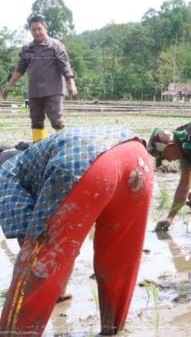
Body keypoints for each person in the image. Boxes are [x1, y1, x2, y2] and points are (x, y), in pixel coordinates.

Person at [0, 127, 153, 336]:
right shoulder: (34, 156)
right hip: (136, 156)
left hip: (83, 163)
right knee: (119, 257)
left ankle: (16, 333)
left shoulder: (5, 172)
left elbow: (32, 236)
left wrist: (42, 269)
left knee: (36, 258)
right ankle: (113, 328)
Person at [0, 14, 78, 142]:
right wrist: (9, 85)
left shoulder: (55, 46)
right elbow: (20, 70)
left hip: (53, 90)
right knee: (36, 121)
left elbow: (65, 66)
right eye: (33, 30)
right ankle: (37, 146)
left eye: (39, 29)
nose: (37, 32)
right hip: (35, 91)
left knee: (56, 120)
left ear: (45, 28)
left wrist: (72, 84)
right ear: (30, 31)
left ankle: (63, 144)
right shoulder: (27, 49)